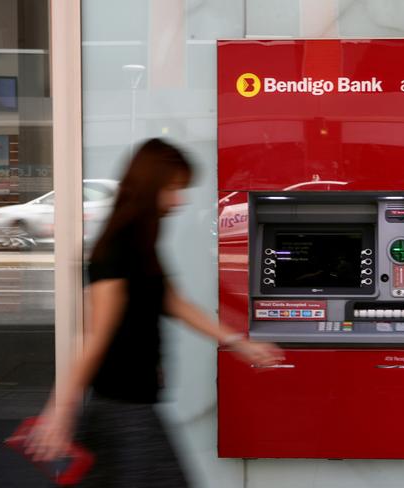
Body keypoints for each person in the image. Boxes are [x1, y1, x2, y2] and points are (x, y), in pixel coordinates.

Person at [26, 139, 283, 486]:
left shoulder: (141, 243)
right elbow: (94, 337)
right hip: (122, 409)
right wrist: (59, 411)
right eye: (173, 188)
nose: (180, 200)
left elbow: (173, 303)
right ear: (150, 187)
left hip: (137, 404)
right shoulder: (118, 248)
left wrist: (238, 342)